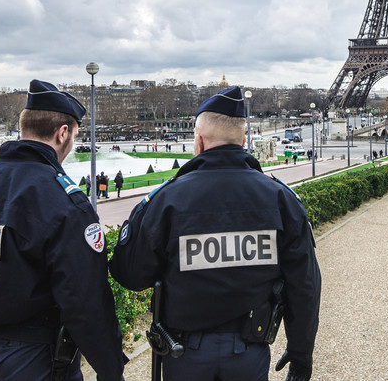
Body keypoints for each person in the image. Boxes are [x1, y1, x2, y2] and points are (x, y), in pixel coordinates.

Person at [110, 86, 321, 381]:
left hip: (184, 351)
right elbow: (304, 286)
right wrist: (301, 352)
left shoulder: (167, 200)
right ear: (244, 140)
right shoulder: (281, 199)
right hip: (249, 349)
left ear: (198, 140)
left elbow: (129, 275)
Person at [0, 80, 126, 381]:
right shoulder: (63, 201)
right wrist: (111, 367)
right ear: (63, 133)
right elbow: (85, 300)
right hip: (37, 354)